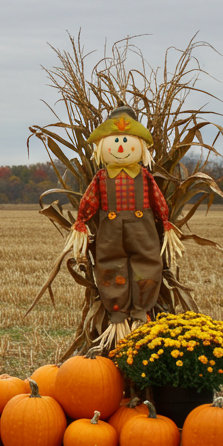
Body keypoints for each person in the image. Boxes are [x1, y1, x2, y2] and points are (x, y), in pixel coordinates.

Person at [64, 105, 184, 348]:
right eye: (115, 141)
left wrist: (166, 222)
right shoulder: (101, 177)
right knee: (110, 266)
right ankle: (117, 316)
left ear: (139, 145)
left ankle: (141, 313)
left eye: (126, 141)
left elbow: (158, 200)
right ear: (102, 147)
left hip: (143, 229)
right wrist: (81, 222)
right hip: (110, 231)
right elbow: (89, 201)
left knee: (148, 264)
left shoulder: (145, 176)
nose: (120, 147)